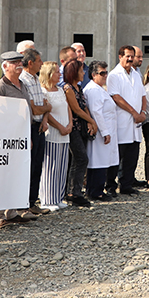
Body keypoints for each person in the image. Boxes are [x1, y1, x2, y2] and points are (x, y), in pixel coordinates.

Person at [0, 51, 38, 229]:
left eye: (19, 62)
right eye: (14, 62)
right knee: (0, 177)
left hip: (20, 138)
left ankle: (11, 212)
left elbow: (27, 111)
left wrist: (28, 136)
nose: (18, 65)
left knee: (15, 175)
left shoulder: (22, 85)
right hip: (4, 139)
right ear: (5, 66)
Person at [107, 45, 147, 195]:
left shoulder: (136, 74)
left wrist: (142, 112)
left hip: (136, 123)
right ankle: (110, 186)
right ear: (120, 57)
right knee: (116, 157)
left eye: (132, 56)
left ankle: (126, 185)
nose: (130, 59)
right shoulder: (114, 75)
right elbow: (116, 97)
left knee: (132, 156)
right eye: (127, 56)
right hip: (122, 122)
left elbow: (143, 95)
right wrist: (134, 113)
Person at [19, 48, 52, 213]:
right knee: (29, 167)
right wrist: (46, 109)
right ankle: (23, 204)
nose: (42, 63)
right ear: (30, 63)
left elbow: (43, 105)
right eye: (39, 61)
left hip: (40, 126)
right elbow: (34, 108)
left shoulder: (35, 78)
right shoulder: (23, 80)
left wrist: (45, 118)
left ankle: (32, 202)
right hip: (30, 127)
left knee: (38, 165)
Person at [61, 59, 94, 207]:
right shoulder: (68, 89)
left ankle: (75, 191)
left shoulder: (78, 87)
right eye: (81, 71)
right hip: (73, 128)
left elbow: (84, 107)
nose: (84, 73)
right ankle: (73, 193)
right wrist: (92, 121)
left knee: (79, 160)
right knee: (80, 158)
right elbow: (76, 109)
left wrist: (89, 121)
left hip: (81, 127)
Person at [39, 61, 71, 211]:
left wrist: (69, 124)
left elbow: (67, 108)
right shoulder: (43, 91)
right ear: (49, 74)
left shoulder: (60, 90)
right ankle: (47, 199)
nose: (60, 74)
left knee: (62, 166)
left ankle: (58, 197)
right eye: (57, 72)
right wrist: (60, 127)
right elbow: (47, 114)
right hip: (53, 133)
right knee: (50, 167)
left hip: (65, 133)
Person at [85, 61, 118, 201]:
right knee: (98, 161)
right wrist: (105, 132)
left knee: (101, 161)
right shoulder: (93, 90)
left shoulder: (98, 88)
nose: (105, 76)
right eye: (102, 73)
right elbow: (96, 112)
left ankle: (95, 190)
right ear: (93, 75)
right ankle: (95, 192)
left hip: (106, 129)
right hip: (100, 131)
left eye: (106, 73)